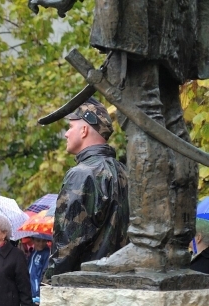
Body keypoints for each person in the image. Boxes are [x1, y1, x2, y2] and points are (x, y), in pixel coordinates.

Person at [31, 0, 203, 272]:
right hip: (178, 19)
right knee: (172, 122)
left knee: (143, 115)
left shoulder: (86, 173)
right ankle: (176, 244)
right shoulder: (113, 171)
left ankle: (148, 244)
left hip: (141, 16)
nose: (66, 133)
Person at [46, 98, 129, 278]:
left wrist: (48, 283)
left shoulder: (81, 174)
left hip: (86, 287)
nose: (66, 134)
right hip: (124, 285)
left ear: (84, 130)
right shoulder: (126, 173)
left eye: (70, 127)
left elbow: (67, 243)